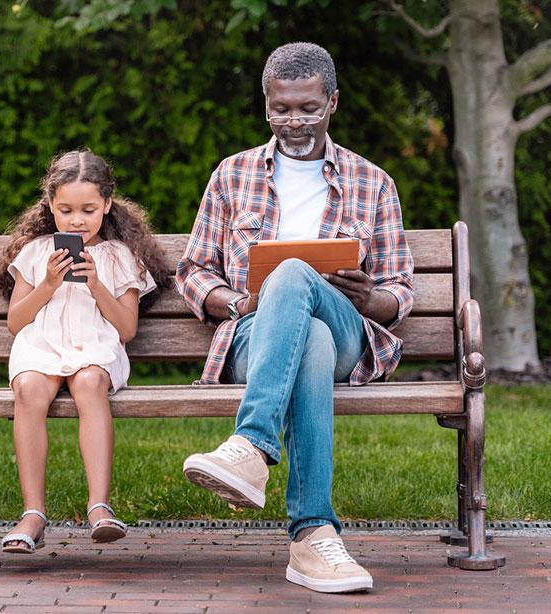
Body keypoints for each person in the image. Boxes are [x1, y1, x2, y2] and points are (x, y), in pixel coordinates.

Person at [176, 42, 414, 593]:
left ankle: (252, 446)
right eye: (281, 108)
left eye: (308, 108)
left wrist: (368, 295)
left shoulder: (372, 181)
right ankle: (312, 536)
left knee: (291, 274)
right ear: (266, 104)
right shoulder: (231, 176)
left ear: (332, 102)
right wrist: (236, 303)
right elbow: (192, 270)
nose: (294, 121)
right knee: (308, 341)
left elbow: (400, 291)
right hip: (256, 337)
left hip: (348, 326)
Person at [0, 149, 171, 553]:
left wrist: (96, 285)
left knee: (90, 383)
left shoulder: (120, 256)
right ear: (51, 207)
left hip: (96, 347)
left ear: (107, 205)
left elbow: (126, 329)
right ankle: (33, 512)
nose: (77, 220)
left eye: (89, 210)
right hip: (41, 346)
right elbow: (16, 322)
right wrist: (48, 285)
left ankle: (99, 505)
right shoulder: (37, 253)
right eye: (67, 210)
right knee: (28, 390)